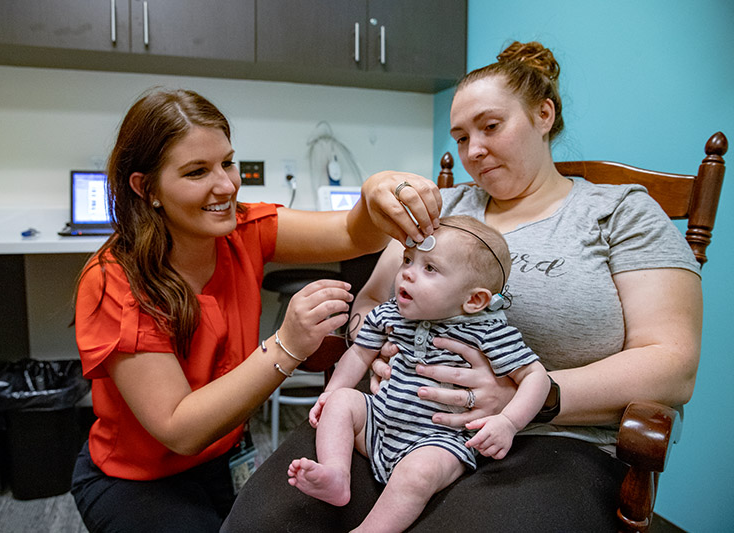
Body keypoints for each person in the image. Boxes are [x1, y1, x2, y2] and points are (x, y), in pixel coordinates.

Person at [222, 41, 703, 532]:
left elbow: (672, 364)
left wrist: (523, 400)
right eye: (460, 136)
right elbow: (368, 303)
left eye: (491, 127)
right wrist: (378, 348)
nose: (473, 151)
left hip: (550, 440)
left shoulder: (618, 212)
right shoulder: (442, 209)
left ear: (543, 114)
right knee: (267, 520)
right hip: (395, 416)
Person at [69, 88, 442, 533]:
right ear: (145, 188)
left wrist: (375, 190)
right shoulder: (115, 281)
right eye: (196, 172)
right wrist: (287, 344)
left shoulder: (243, 230)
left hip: (224, 458)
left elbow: (354, 233)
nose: (226, 185)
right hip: (136, 480)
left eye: (227, 162)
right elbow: (179, 428)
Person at [288, 215, 550, 532]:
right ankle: (336, 475)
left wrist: (509, 422)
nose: (407, 275)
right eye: (408, 260)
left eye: (429, 268)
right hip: (380, 422)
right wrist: (331, 394)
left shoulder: (488, 333)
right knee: (342, 401)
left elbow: (536, 377)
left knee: (418, 474)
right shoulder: (390, 314)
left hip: (441, 441)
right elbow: (358, 353)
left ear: (474, 299)